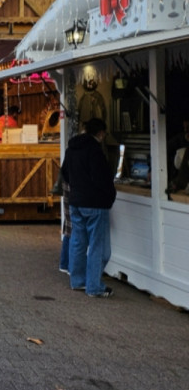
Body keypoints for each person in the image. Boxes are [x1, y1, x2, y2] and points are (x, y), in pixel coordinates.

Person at [61, 118, 117, 298]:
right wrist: (110, 196)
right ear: (100, 133)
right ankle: (94, 286)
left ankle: (77, 281)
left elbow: (65, 173)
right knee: (97, 246)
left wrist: (77, 188)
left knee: (78, 240)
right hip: (95, 203)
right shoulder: (95, 151)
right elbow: (101, 179)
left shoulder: (72, 148)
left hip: (76, 201)